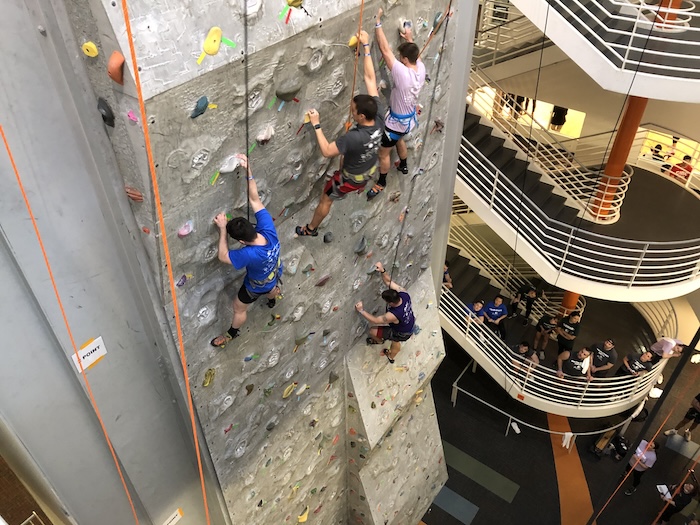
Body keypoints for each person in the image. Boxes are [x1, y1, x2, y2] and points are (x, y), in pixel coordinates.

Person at [296, 30, 383, 237]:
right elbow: (370, 78)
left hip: (352, 178)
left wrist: (317, 124)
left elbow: (326, 151)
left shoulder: (353, 138)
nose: (351, 111)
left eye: (353, 110)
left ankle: (311, 229)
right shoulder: (378, 115)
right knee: (348, 161)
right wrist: (367, 46)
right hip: (368, 168)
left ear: (361, 116)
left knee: (327, 198)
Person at [211, 155, 282, 347]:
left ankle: (232, 333)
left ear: (242, 241)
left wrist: (223, 228)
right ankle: (272, 300)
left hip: (255, 285)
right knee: (272, 288)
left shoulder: (250, 254)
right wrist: (248, 170)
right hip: (274, 272)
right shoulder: (267, 229)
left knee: (238, 308)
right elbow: (255, 199)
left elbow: (223, 256)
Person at [366, 8, 426, 200]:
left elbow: (385, 50)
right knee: (399, 139)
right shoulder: (421, 69)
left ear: (405, 60)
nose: (399, 60)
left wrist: (377, 23)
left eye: (402, 58)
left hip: (393, 124)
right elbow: (415, 53)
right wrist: (409, 37)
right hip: (407, 121)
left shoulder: (402, 73)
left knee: (383, 153)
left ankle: (381, 181)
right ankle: (404, 164)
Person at [355, 261, 415, 363]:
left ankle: (383, 347)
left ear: (390, 303)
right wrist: (382, 270)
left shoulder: (393, 315)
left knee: (373, 331)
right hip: (409, 325)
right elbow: (388, 282)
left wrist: (361, 310)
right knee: (396, 340)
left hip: (402, 332)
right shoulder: (404, 294)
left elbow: (375, 320)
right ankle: (391, 351)